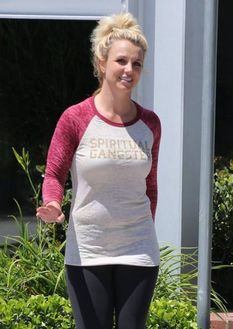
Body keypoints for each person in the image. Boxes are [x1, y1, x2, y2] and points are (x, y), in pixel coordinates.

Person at [36, 12, 161, 329]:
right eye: (121, 61)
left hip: (138, 249)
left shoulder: (150, 124)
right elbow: (54, 174)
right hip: (89, 250)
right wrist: (52, 203)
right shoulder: (75, 118)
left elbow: (150, 187)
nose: (129, 70)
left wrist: (144, 230)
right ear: (102, 63)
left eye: (137, 64)